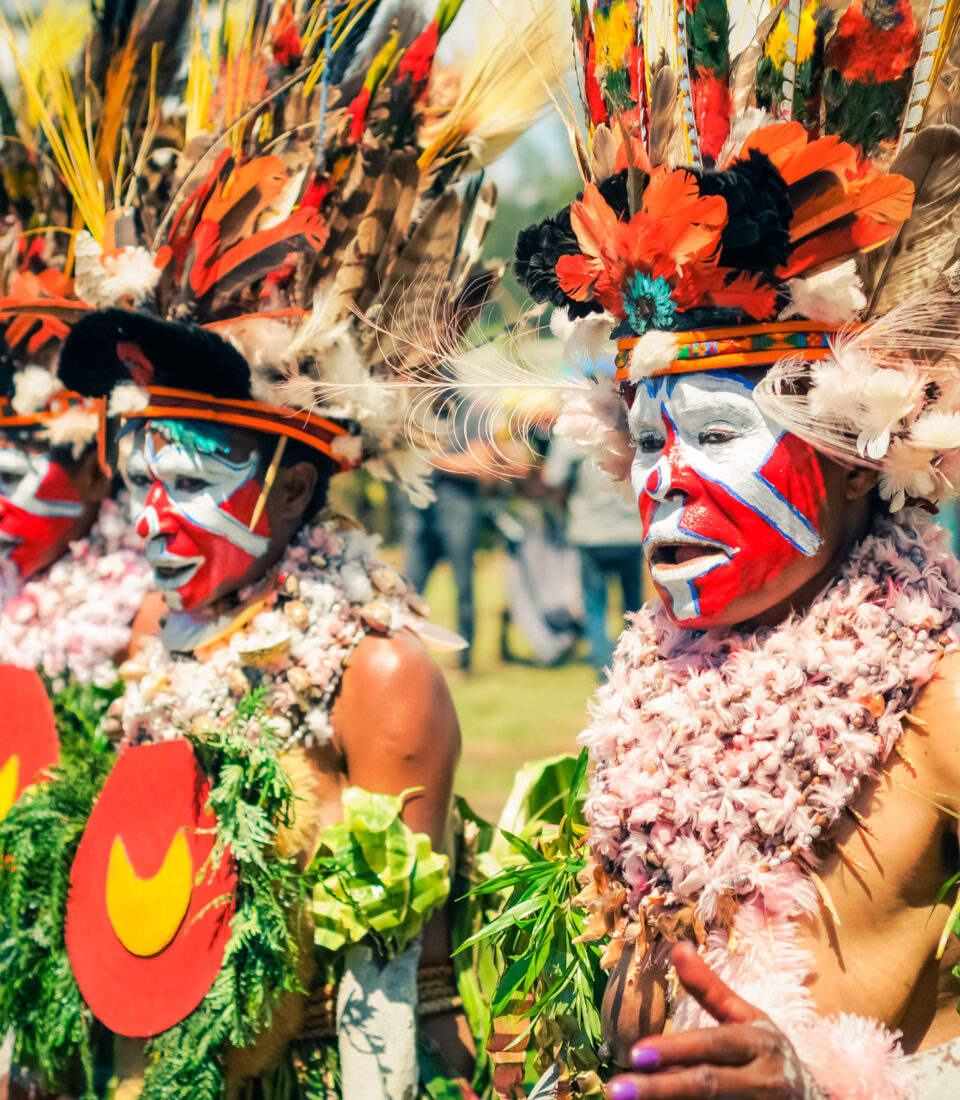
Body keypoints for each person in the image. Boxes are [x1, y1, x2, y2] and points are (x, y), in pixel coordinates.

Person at [0, 2, 565, 1097]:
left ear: (295, 483)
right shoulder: (165, 627)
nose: (152, 518)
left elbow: (381, 998)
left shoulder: (378, 675)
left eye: (194, 484)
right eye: (142, 476)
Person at [508, 0, 960, 1096]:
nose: (667, 478)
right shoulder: (650, 675)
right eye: (651, 439)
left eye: (716, 433)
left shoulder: (942, 699)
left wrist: (812, 1085)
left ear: (859, 447)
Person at [542, 430, 644, 674]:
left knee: (595, 604)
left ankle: (604, 668)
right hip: (631, 530)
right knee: (634, 607)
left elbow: (553, 478)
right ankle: (636, 664)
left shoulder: (574, 430)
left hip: (591, 532)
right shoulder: (631, 424)